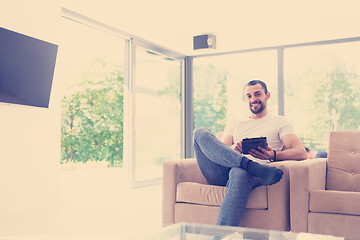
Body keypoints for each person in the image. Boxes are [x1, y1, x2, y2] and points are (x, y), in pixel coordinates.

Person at [193, 80, 307, 227]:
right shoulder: (235, 122)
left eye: (258, 94)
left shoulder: (280, 122)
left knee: (239, 172)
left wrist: (273, 155)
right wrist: (234, 148)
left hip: (252, 175)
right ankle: (249, 164)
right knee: (200, 133)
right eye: (249, 96)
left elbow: (301, 152)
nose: (253, 99)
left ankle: (221, 237)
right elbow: (220, 149)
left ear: (267, 95)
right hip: (224, 170)